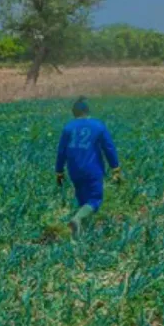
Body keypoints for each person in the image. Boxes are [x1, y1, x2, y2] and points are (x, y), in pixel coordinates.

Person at [56, 96, 121, 235]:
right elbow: (109, 148)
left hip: (74, 170)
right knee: (94, 200)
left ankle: (80, 233)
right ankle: (77, 219)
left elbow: (61, 151)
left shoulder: (68, 127)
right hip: (93, 169)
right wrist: (115, 168)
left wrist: (59, 171)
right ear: (87, 111)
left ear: (74, 113)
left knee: (82, 200)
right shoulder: (98, 126)